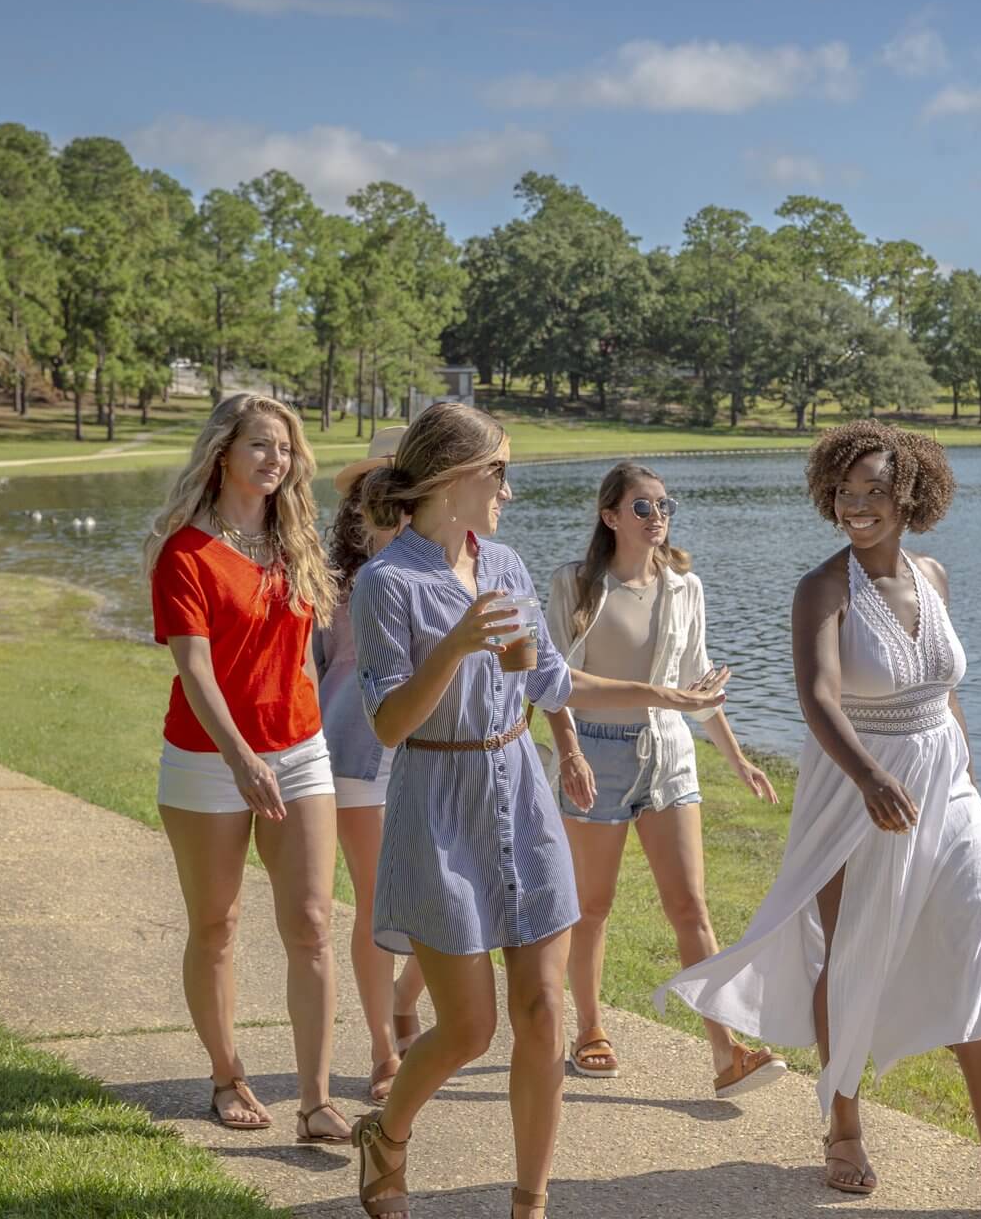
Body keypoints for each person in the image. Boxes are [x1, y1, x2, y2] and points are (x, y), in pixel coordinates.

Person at [657, 420, 981, 1212]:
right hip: (856, 791)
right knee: (850, 955)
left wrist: (970, 777)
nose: (856, 507)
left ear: (911, 494)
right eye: (846, 493)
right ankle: (844, 1126)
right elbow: (818, 697)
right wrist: (869, 777)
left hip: (947, 788)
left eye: (874, 492)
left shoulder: (935, 575)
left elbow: (945, 689)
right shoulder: (823, 587)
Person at [346, 402, 729, 1219]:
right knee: (468, 1028)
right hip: (439, 802)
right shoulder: (386, 584)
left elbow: (554, 680)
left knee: (542, 1014)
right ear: (453, 477)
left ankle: (531, 1202)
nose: (509, 492)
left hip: (521, 790)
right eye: (500, 473)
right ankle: (387, 1133)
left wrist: (662, 695)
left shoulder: (509, 566)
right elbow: (387, 723)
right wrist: (454, 644)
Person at [145, 392, 353, 1145]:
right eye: (262, 445)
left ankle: (318, 1097)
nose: (277, 460)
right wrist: (241, 759)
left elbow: (299, 654)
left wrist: (297, 743)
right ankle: (227, 1075)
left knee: (311, 922)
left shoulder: (298, 543)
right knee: (217, 923)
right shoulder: (185, 553)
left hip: (299, 751)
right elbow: (196, 672)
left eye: (287, 448)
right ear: (223, 452)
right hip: (207, 759)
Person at [544, 461, 785, 1098]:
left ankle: (726, 1052)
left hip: (669, 756)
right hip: (596, 754)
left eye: (665, 506)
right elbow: (554, 685)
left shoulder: (685, 587)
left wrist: (737, 760)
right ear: (611, 516)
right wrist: (569, 754)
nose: (659, 518)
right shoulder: (575, 585)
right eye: (644, 507)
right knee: (592, 907)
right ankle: (590, 1029)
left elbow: (699, 689)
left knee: (690, 909)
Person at [315, 426, 428, 1104]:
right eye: (382, 486)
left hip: (435, 749)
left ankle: (406, 1004)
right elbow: (317, 668)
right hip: (356, 752)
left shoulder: (452, 566)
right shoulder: (334, 578)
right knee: (376, 904)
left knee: (446, 894)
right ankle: (384, 1053)